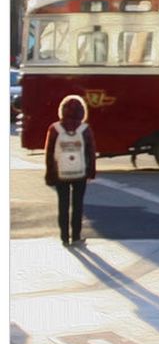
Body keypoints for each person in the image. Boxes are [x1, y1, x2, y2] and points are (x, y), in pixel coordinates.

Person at [44, 95, 97, 246]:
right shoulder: (85, 129)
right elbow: (91, 153)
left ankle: (64, 238)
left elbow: (49, 154)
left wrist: (50, 175)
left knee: (63, 204)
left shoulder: (54, 129)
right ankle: (76, 236)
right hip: (80, 172)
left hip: (61, 173)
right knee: (78, 205)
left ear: (62, 110)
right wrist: (91, 172)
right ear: (82, 111)